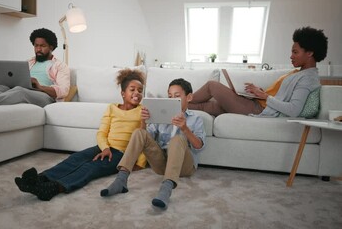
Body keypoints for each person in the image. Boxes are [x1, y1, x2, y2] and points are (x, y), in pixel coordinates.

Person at [15, 68, 147, 201]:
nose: (137, 93)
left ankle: (53, 188)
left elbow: (144, 137)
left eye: (140, 91)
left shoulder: (143, 111)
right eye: (132, 89)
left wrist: (139, 162)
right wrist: (105, 148)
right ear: (123, 93)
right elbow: (102, 132)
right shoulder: (112, 108)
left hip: (122, 154)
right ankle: (39, 179)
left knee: (90, 167)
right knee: (76, 158)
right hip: (104, 147)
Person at [100, 78, 206, 210]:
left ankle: (166, 188)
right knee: (139, 132)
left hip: (184, 167)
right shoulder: (160, 115)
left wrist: (185, 128)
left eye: (177, 97)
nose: (173, 99)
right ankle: (121, 180)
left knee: (178, 139)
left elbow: (199, 146)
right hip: (161, 165)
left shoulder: (196, 119)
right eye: (170, 96)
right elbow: (144, 138)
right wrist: (144, 121)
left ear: (189, 97)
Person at [188, 26, 328, 117]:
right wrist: (261, 93)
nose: (291, 56)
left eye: (295, 52)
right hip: (257, 103)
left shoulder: (308, 78)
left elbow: (293, 110)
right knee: (206, 106)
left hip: (259, 109)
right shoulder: (300, 73)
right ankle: (173, 105)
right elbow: (281, 96)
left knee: (212, 86)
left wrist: (265, 97)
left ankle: (178, 100)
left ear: (310, 53)